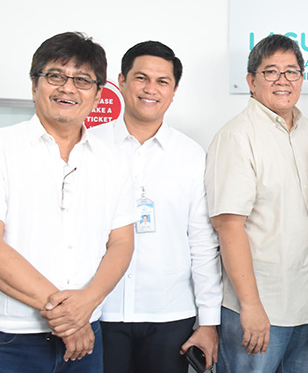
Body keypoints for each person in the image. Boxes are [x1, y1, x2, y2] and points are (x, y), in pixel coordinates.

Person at [0, 32, 135, 372]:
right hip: (5, 341)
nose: (68, 88)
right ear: (34, 85)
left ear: (97, 95)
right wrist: (69, 318)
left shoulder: (115, 161)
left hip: (87, 337)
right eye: (55, 76)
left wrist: (85, 308)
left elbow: (122, 243)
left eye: (82, 80)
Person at [89, 41, 222, 372]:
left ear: (174, 90)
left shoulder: (191, 156)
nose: (151, 89)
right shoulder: (88, 146)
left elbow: (203, 242)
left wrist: (208, 321)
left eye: (162, 81)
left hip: (170, 314)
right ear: (121, 81)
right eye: (141, 78)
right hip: (99, 311)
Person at [205, 34, 308, 372]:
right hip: (262, 310)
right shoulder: (237, 136)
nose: (282, 81)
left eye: (291, 72)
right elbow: (228, 226)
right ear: (251, 80)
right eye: (271, 72)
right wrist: (251, 305)